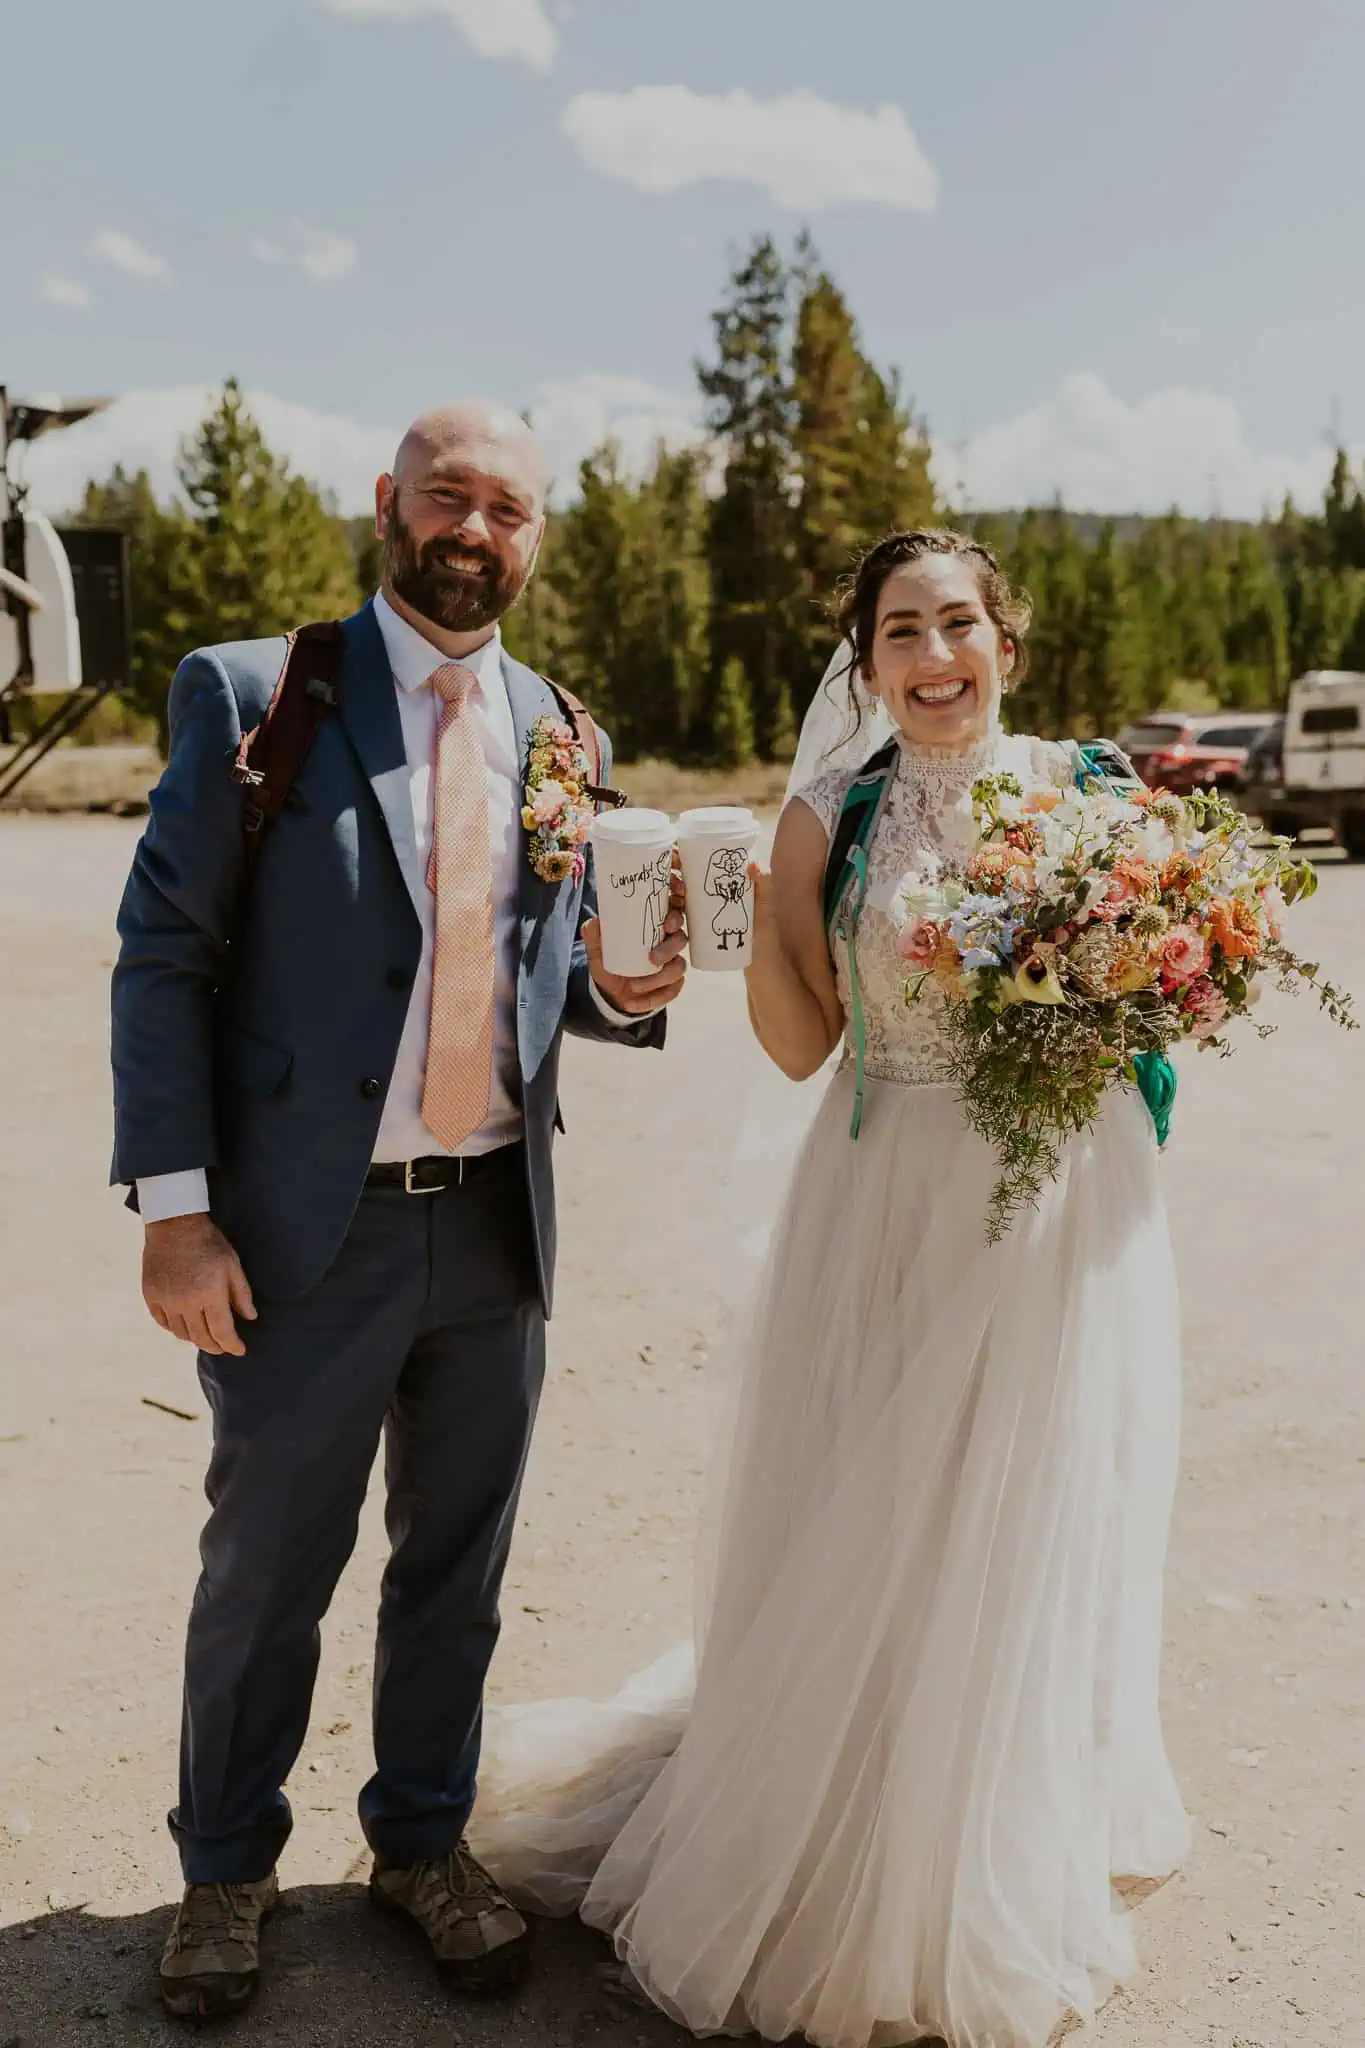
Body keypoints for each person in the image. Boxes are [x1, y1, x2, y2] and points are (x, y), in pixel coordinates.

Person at [472, 529, 1191, 2048]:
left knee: (1028, 1502)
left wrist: (1141, 974)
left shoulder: (1093, 797)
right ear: (863, 663)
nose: (934, 660)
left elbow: (1154, 1001)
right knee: (882, 1501)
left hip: (1061, 1199)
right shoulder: (825, 816)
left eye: (957, 626)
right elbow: (803, 1047)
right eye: (900, 635)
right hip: (888, 1198)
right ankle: (851, 1817)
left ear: (1008, 638)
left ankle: (995, 1817)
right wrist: (745, 936)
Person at [109, 402, 687, 2020]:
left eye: (508, 509)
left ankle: (421, 1843)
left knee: (459, 1566)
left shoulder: (562, 727)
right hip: (309, 1231)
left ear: (535, 539)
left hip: (497, 1224)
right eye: (449, 497)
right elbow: (165, 959)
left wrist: (627, 991)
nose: (475, 531)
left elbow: (545, 970)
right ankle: (224, 1871)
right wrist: (175, 1210)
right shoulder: (261, 693)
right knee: (270, 1567)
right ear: (388, 505)